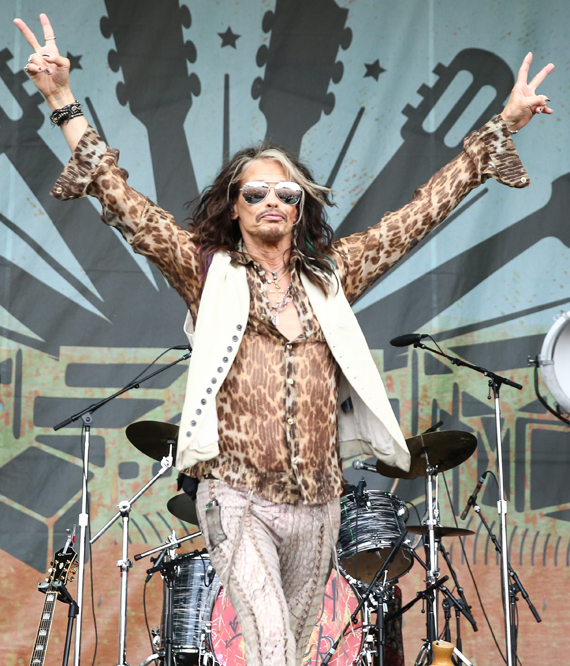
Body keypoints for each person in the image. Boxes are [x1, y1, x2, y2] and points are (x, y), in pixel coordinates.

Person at [15, 12, 554, 666]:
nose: (273, 200)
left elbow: (417, 216)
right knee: (270, 650)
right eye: (257, 191)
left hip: (318, 502)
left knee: (293, 654)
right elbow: (121, 200)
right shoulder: (204, 269)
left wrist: (502, 127)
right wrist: (60, 99)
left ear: (300, 208)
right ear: (235, 205)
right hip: (235, 492)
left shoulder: (332, 274)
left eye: (287, 193)